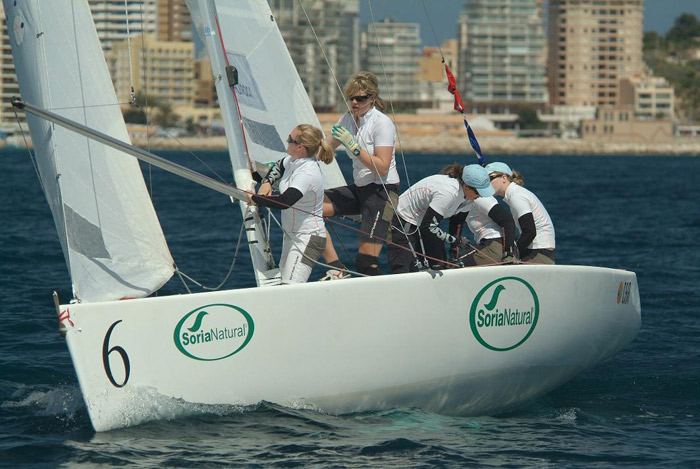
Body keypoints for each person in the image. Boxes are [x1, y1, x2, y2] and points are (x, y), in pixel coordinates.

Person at [320, 71, 400, 279]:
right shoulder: (347, 119)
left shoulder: (382, 123)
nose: (355, 102)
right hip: (360, 189)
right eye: (351, 98)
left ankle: (383, 301)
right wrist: (290, 159)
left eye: (361, 98)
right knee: (309, 207)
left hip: (382, 192)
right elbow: (325, 149)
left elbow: (382, 167)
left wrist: (354, 147)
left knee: (366, 265)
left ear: (372, 98)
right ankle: (337, 270)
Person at [249, 124, 334, 284]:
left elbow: (285, 202)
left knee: (290, 287)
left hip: (308, 238)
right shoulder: (294, 160)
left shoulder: (307, 172)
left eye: (290, 139)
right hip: (291, 236)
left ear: (300, 147)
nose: (286, 141)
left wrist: (255, 198)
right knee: (284, 286)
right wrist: (267, 182)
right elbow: (280, 165)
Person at [388, 164, 507, 273]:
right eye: (478, 192)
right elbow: (428, 227)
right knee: (405, 268)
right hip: (403, 222)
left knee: (440, 266)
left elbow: (456, 223)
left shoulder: (469, 198)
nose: (480, 196)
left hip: (424, 224)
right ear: (466, 186)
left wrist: (454, 250)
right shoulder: (448, 192)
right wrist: (454, 240)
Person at [485, 162, 556, 264]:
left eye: (490, 178)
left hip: (539, 253)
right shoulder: (516, 193)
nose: (487, 184)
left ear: (504, 178)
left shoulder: (516, 197)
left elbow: (529, 232)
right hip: (539, 251)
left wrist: (511, 253)